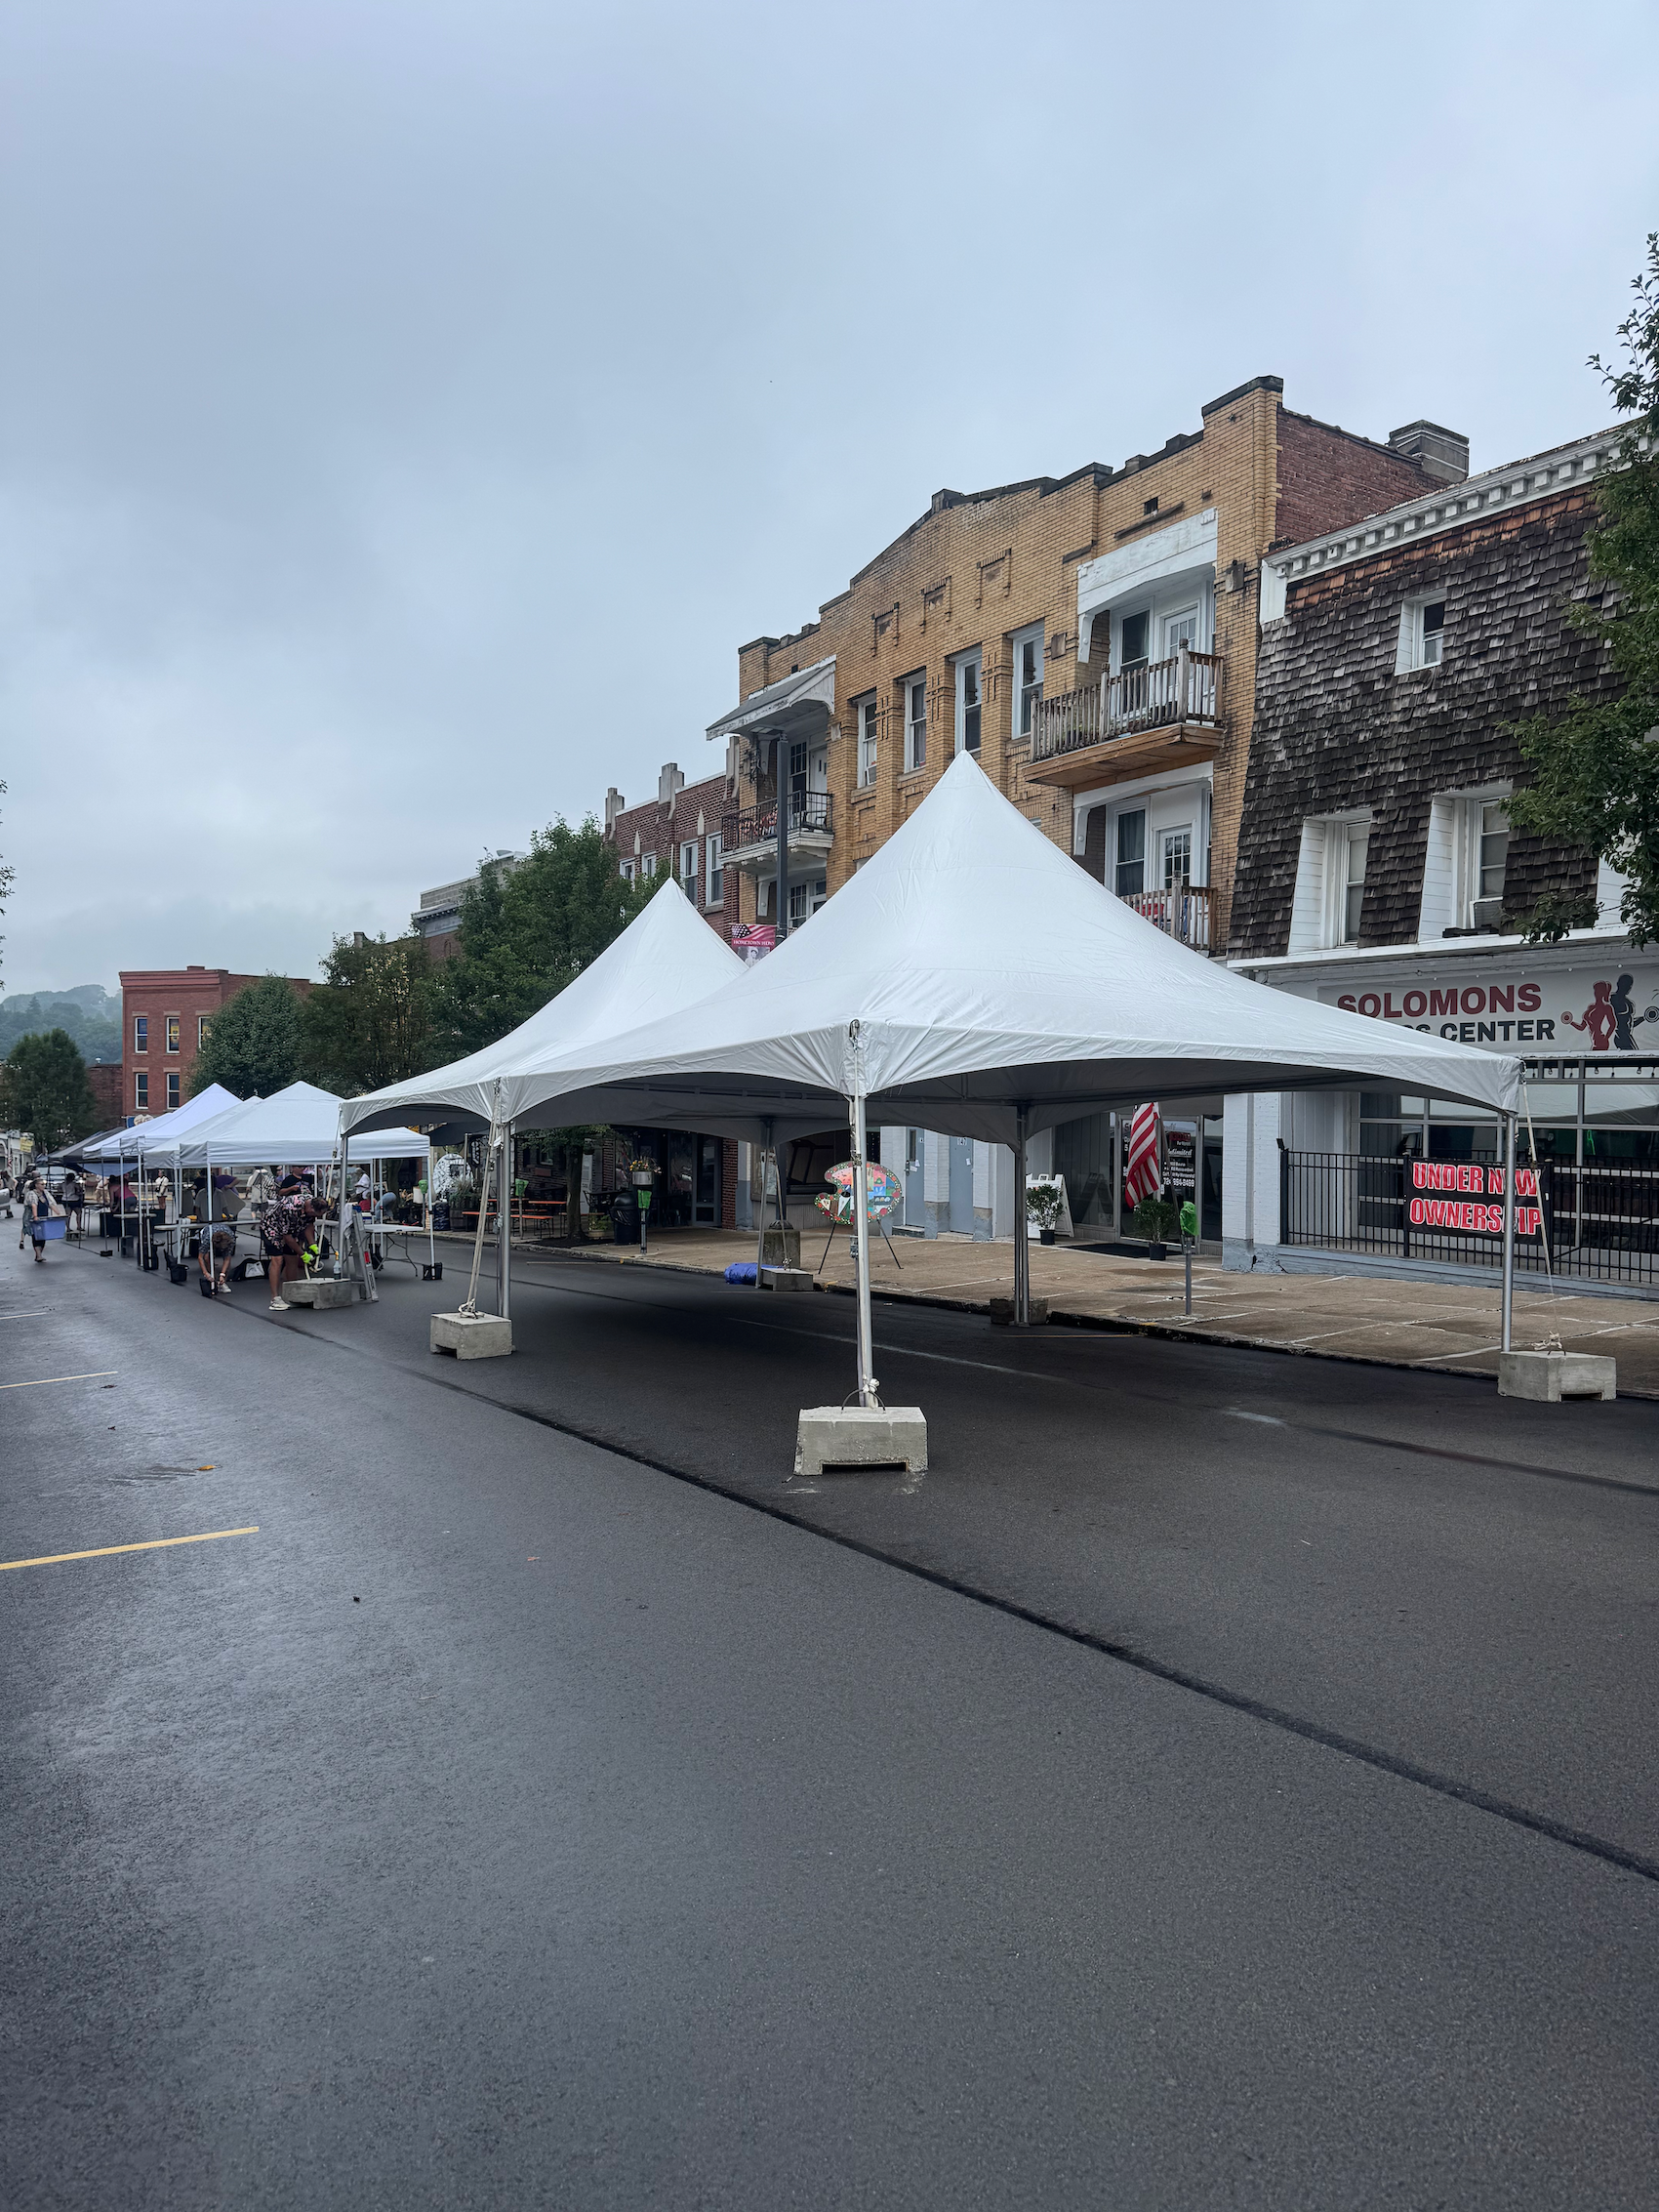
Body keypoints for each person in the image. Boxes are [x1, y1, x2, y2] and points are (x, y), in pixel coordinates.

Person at [262, 1191, 311, 1311]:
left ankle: (292, 1293)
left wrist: (313, 1244)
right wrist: (303, 1253)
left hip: (290, 1229)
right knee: (277, 1260)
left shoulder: (311, 1202)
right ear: (311, 1208)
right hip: (271, 1228)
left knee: (292, 1259)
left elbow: (310, 1224)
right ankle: (275, 1298)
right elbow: (287, 1237)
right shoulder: (289, 1208)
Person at [198, 1226, 237, 1296]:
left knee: (227, 1257)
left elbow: (227, 1259)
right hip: (207, 1232)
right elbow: (200, 1257)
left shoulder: (231, 1240)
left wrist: (222, 1274)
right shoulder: (207, 1239)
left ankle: (222, 1281)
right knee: (207, 1258)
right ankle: (212, 1279)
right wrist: (205, 1272)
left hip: (225, 1233)